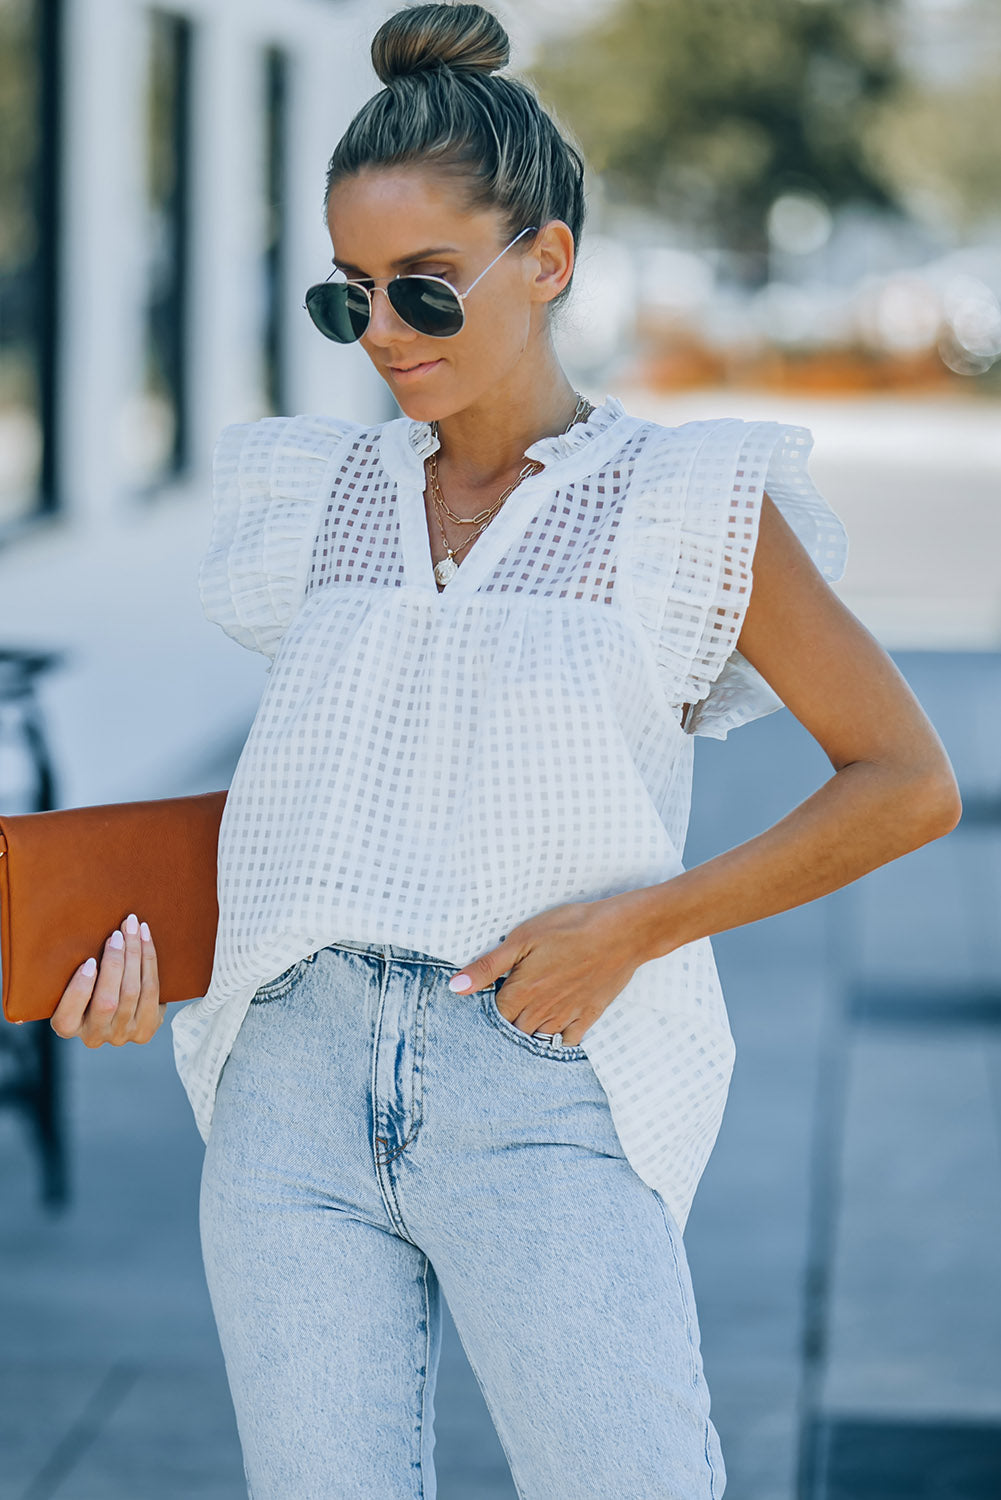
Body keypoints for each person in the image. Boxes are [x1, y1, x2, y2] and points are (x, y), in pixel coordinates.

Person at [50, 4, 962, 1496]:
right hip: (288, 1091)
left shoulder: (686, 505)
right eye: (348, 301)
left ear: (546, 259)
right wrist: (136, 960)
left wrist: (638, 928)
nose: (385, 339)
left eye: (423, 291)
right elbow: (347, 793)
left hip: (540, 1077)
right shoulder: (317, 501)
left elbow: (904, 782)